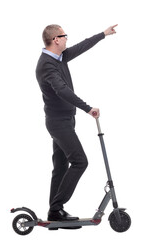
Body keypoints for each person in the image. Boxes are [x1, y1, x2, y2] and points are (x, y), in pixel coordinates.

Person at [36, 24, 117, 225]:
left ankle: (54, 214)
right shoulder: (47, 65)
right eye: (65, 36)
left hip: (65, 121)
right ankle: (56, 208)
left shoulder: (59, 57)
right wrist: (87, 108)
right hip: (58, 123)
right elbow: (62, 90)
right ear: (56, 39)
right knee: (80, 161)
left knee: (61, 167)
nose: (67, 39)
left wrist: (103, 34)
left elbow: (82, 47)